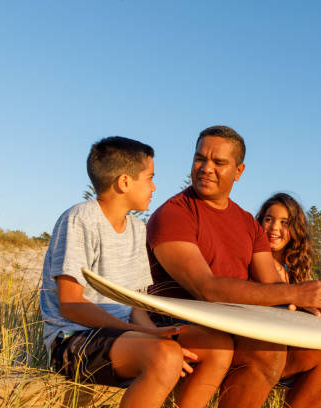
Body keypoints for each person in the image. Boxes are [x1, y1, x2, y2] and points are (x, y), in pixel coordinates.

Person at [146, 126, 321, 408]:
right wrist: (294, 294)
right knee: (267, 352)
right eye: (200, 158)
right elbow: (206, 288)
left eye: (219, 163)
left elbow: (271, 287)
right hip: (184, 324)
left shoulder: (248, 224)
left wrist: (307, 303)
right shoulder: (174, 214)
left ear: (238, 171)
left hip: (239, 325)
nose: (205, 168)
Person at [39, 136, 232, 408]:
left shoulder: (137, 229)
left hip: (126, 336)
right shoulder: (80, 218)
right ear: (124, 182)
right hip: (74, 340)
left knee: (217, 346)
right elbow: (71, 305)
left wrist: (154, 332)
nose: (154, 187)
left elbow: (135, 305)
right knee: (165, 356)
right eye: (150, 178)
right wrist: (146, 336)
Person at [256, 192, 321, 403]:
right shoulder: (252, 259)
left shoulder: (291, 269)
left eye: (284, 222)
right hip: (256, 351)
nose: (274, 228)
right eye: (268, 219)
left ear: (296, 229)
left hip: (284, 347)